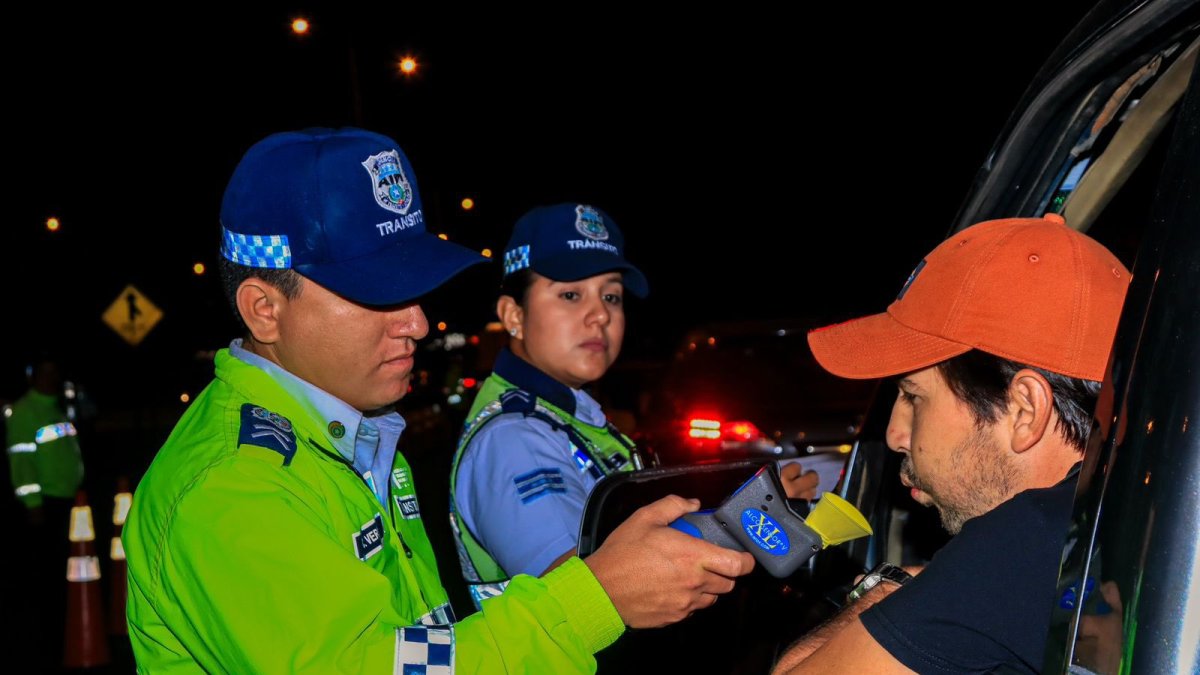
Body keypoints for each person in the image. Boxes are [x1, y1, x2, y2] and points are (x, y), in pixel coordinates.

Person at [122, 127, 754, 673]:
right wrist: (596, 599)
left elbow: (417, 647)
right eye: (377, 294)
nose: (419, 325)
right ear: (266, 309)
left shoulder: (344, 430)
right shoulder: (236, 490)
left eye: (416, 291)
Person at [772, 214, 1130, 674]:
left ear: (1025, 409)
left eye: (913, 396)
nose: (896, 434)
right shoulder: (1137, 514)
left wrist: (886, 589)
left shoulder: (1017, 545)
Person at [449, 204, 821, 607]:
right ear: (513, 315)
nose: (599, 315)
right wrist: (745, 523)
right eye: (571, 294)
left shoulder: (565, 415)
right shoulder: (514, 439)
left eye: (611, 296)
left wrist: (743, 510)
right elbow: (590, 594)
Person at [7, 355, 84, 527]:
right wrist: (33, 503)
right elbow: (21, 460)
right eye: (44, 373)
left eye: (54, 372)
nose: (51, 378)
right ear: (33, 377)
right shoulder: (25, 411)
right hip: (46, 502)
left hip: (69, 497)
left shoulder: (58, 408)